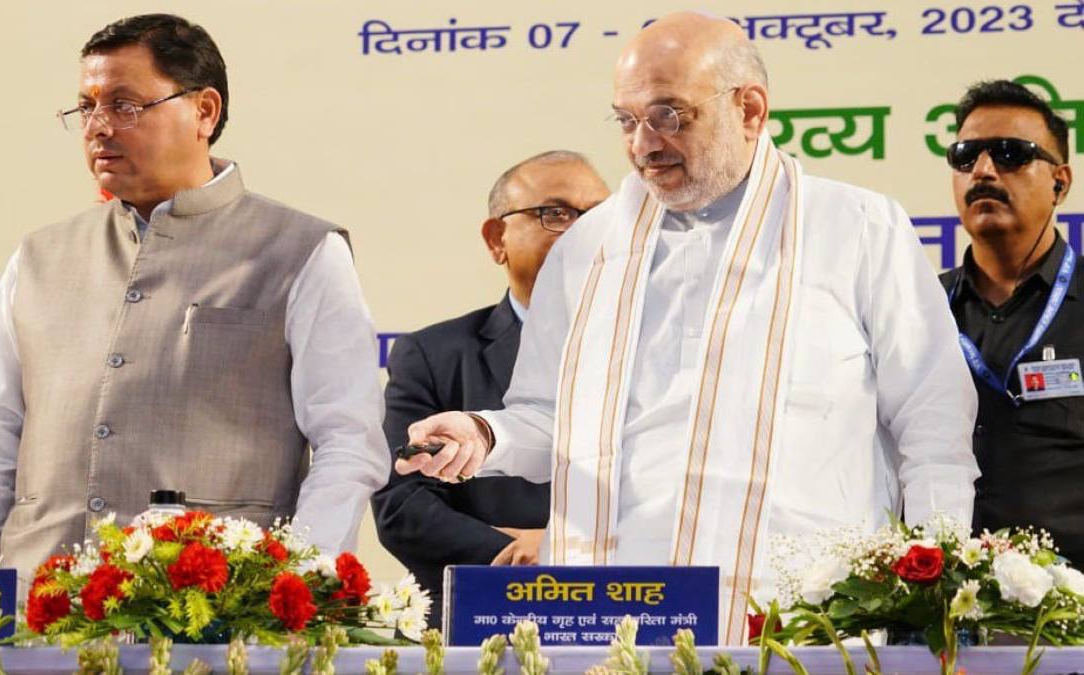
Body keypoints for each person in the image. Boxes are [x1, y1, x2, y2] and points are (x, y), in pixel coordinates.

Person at [395, 12, 980, 644]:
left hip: (804, 622)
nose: (643, 144)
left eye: (668, 115)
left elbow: (933, 427)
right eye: (627, 121)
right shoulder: (588, 249)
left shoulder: (858, 227)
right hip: (610, 621)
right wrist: (487, 435)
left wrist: (933, 596)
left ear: (749, 110)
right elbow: (548, 421)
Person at [0, 14, 389, 585]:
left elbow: (347, 441)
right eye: (86, 107)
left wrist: (298, 580)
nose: (97, 127)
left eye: (124, 105)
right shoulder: (39, 257)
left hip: (216, 608)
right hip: (38, 602)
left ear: (204, 111)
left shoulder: (301, 250)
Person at [373, 150, 610, 625]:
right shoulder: (434, 354)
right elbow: (403, 502)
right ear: (496, 238)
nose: (584, 232)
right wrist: (516, 552)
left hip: (633, 607)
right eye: (556, 213)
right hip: (482, 618)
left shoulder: (656, 350)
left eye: (600, 216)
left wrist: (570, 548)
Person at [939, 80, 1080, 565]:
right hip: (940, 598)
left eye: (1009, 154)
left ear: (1060, 182)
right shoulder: (918, 309)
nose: (982, 170)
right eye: (965, 156)